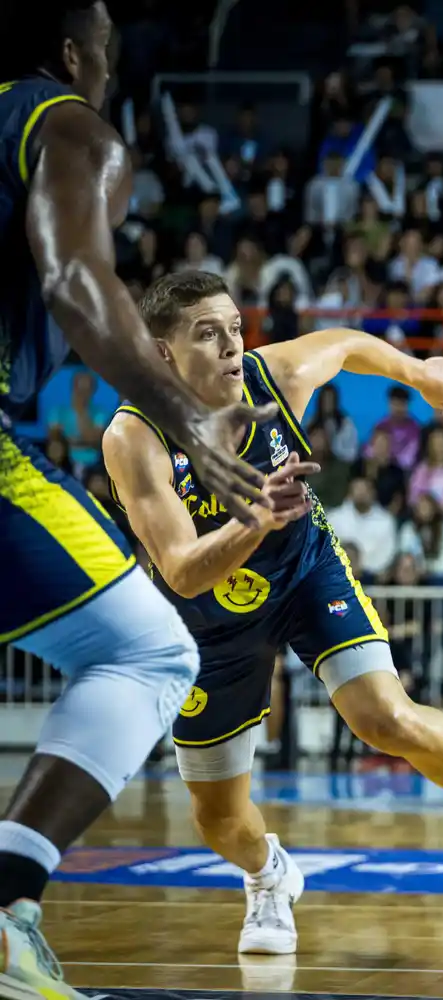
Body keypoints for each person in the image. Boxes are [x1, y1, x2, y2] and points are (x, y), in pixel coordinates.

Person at [101, 272, 443, 957]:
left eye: (234, 327)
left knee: (384, 716)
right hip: (205, 617)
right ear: (162, 352)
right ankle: (268, 875)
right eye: (207, 333)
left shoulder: (273, 377)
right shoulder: (134, 436)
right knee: (219, 820)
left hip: (302, 570)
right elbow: (182, 569)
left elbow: (345, 344)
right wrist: (256, 517)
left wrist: (420, 373)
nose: (231, 345)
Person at [0, 8, 280, 997]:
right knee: (148, 649)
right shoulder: (64, 123)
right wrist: (187, 417)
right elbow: (76, 278)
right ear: (74, 53)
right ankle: (6, 907)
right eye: (109, 52)